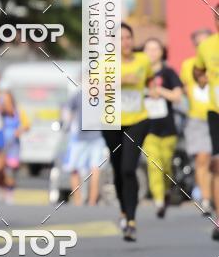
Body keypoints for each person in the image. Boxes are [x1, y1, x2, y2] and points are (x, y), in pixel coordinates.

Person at [102, 23, 153, 242]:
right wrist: (120, 81)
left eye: (128, 38)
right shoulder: (105, 63)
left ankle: (131, 221)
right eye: (120, 38)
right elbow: (93, 87)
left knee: (128, 169)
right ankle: (123, 210)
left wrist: (156, 90)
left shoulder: (143, 61)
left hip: (138, 120)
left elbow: (151, 80)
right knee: (117, 168)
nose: (125, 42)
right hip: (112, 122)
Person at [142, 38, 183, 218]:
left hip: (168, 128)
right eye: (148, 49)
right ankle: (158, 200)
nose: (151, 52)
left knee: (165, 165)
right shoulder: (139, 72)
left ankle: (166, 191)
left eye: (155, 49)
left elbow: (177, 96)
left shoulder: (168, 72)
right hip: (147, 127)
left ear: (161, 52)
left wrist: (160, 92)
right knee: (154, 164)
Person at [193, 5, 219, 241]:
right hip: (215, 112)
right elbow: (197, 70)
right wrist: (200, 79)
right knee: (217, 163)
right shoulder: (207, 46)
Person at [181, 29, 213, 215]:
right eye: (197, 43)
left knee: (214, 163)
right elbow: (186, 89)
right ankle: (206, 199)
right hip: (197, 118)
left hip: (215, 115)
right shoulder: (188, 65)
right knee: (202, 159)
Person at [62, 88, 106, 206]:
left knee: (75, 169)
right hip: (97, 136)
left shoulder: (80, 94)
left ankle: (79, 201)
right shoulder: (101, 93)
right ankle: (91, 202)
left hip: (82, 138)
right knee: (95, 169)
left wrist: (66, 127)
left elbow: (68, 112)